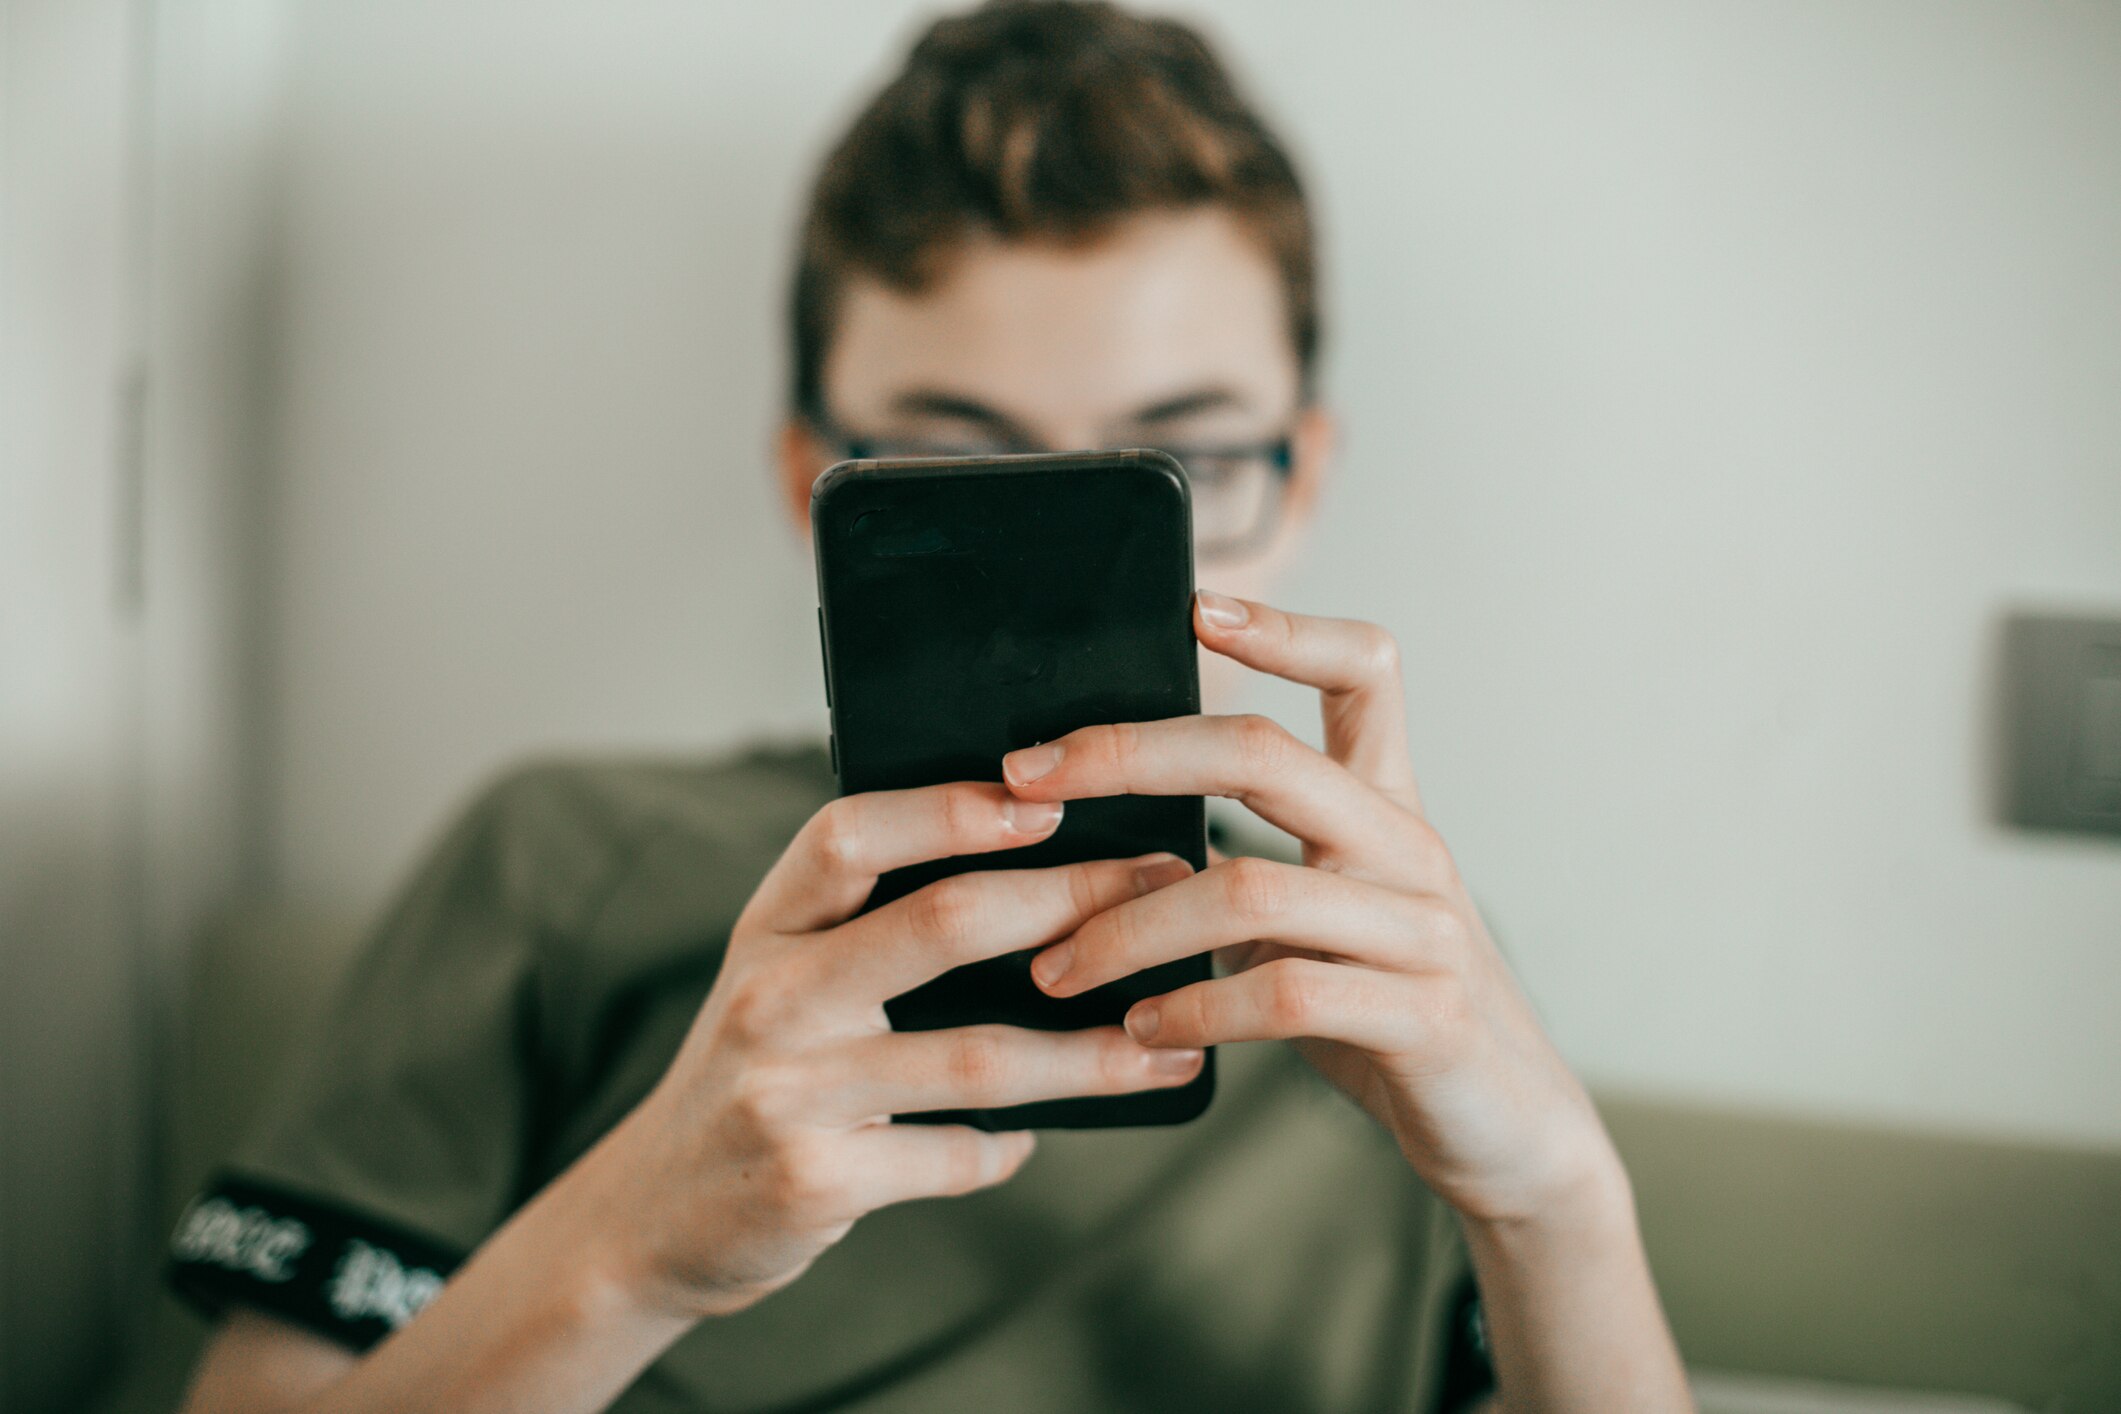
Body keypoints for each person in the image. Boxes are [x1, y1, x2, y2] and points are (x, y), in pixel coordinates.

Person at [168, 3, 1692, 1410]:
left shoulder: (1391, 970)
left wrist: (1552, 1195)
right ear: (808, 485)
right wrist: (625, 1247)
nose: (1051, 581)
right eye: (952, 461)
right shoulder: (560, 857)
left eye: (1172, 469)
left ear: (1299, 480)